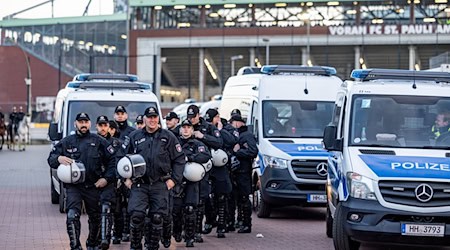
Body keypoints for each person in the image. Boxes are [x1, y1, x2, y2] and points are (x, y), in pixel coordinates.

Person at [47, 112, 116, 250]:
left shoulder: (99, 141)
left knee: (95, 218)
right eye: (80, 122)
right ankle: (75, 246)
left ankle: (92, 243)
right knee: (72, 215)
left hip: (94, 186)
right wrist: (58, 159)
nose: (83, 124)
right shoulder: (67, 141)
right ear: (75, 124)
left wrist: (106, 179)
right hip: (74, 187)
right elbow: (51, 158)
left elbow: (113, 161)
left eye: (85, 122)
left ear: (90, 124)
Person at [124, 106, 185, 250]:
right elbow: (122, 158)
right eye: (149, 117)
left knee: (157, 218)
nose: (152, 120)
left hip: (160, 183)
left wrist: (174, 180)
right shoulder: (135, 136)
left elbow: (179, 159)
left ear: (158, 119)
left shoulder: (168, 137)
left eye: (155, 117)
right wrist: (125, 178)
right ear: (144, 119)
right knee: (137, 216)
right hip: (140, 184)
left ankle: (152, 246)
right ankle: (136, 245)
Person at [187, 104, 223, 243]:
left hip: (204, 168)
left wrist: (203, 137)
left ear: (198, 115)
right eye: (189, 117)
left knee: (201, 199)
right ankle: (188, 230)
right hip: (187, 168)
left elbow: (219, 143)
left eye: (193, 117)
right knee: (189, 202)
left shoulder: (208, 127)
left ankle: (197, 231)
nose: (191, 120)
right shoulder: (184, 127)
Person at [203, 108, 238, 238]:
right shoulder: (204, 128)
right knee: (206, 197)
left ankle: (222, 226)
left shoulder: (225, 128)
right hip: (208, 167)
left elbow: (231, 141)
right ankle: (210, 221)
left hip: (221, 168)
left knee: (221, 197)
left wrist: (220, 129)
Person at [177, 119, 212, 247]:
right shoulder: (174, 142)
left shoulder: (197, 144)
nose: (186, 129)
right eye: (183, 127)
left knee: (190, 209)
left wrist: (190, 158)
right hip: (177, 181)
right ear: (180, 129)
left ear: (192, 130)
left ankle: (190, 237)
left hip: (192, 181)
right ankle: (177, 231)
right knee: (176, 210)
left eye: (188, 127)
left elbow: (205, 156)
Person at [230, 114, 258, 234]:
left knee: (244, 198)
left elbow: (253, 151)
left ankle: (247, 224)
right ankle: (239, 220)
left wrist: (238, 152)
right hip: (236, 171)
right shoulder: (237, 135)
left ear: (237, 123)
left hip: (244, 172)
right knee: (236, 198)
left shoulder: (247, 135)